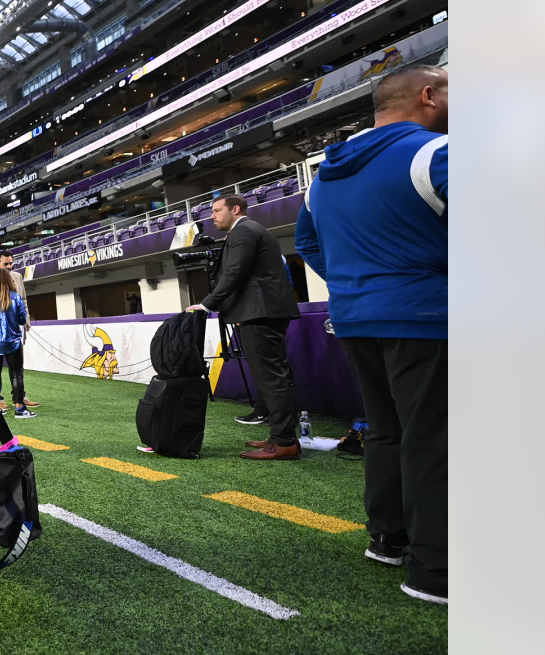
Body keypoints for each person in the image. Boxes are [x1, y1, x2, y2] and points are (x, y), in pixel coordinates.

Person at [294, 64, 448, 604]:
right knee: (435, 435)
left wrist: (354, 282)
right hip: (427, 317)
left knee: (387, 429)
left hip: (356, 318)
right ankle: (437, 569)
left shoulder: (324, 176)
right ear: (427, 96)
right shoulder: (436, 153)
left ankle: (387, 538)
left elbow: (307, 243)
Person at [186, 194, 301, 460]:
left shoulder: (245, 231)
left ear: (235, 209)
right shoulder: (248, 231)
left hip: (261, 313)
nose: (212, 216)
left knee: (271, 379)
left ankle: (284, 441)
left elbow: (235, 273)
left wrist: (207, 305)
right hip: (260, 311)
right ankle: (279, 436)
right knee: (271, 377)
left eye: (217, 210)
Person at [0, 250, 40, 412]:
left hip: (14, 329)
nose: (10, 266)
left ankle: (19, 397)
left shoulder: (18, 277)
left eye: (11, 263)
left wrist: (26, 319)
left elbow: (23, 299)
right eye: (6, 264)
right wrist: (1, 313)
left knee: (17, 367)